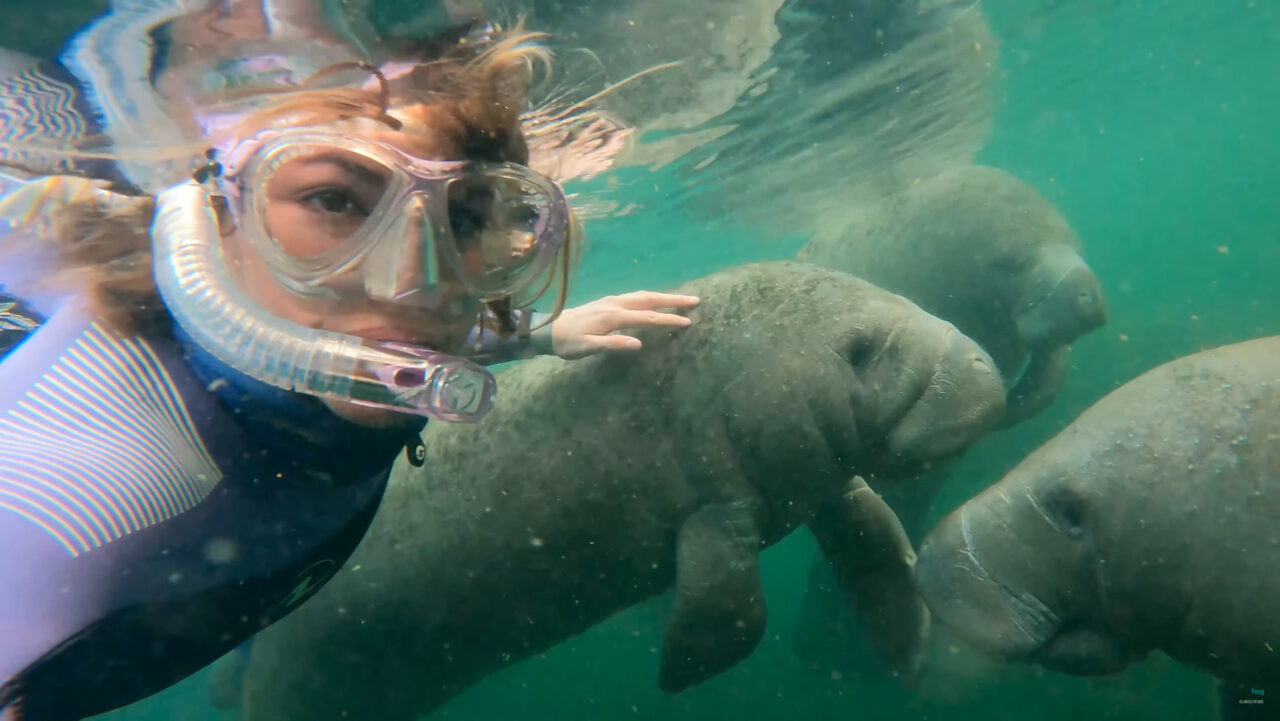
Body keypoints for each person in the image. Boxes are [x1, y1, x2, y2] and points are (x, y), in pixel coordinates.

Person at [0, 6, 697, 720]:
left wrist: (542, 333)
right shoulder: (73, 491)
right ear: (215, 217)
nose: (416, 282)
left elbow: (385, 344)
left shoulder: (328, 372)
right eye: (335, 200)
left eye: (464, 218)